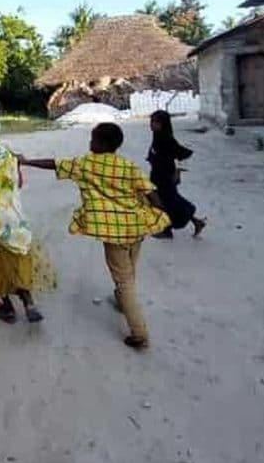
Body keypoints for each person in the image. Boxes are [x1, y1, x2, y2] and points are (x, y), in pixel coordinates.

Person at [20, 123, 169, 349]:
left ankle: (139, 334)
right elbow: (149, 191)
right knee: (130, 268)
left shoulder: (86, 164)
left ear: (100, 143)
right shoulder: (127, 166)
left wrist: (26, 160)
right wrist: (161, 214)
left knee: (124, 279)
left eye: (92, 139)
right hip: (137, 226)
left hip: (114, 232)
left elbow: (54, 163)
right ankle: (121, 300)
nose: (90, 143)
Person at [0, 115, 55, 323]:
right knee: (19, 256)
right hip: (15, 217)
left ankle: (6, 306)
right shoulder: (8, 154)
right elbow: (17, 184)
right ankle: (29, 303)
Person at [147, 110, 206, 239]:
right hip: (158, 175)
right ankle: (196, 222)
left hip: (165, 177)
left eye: (156, 122)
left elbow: (183, 154)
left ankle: (167, 230)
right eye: (151, 122)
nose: (152, 125)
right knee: (170, 202)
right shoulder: (157, 136)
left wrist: (177, 172)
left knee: (165, 202)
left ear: (164, 124)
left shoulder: (167, 139)